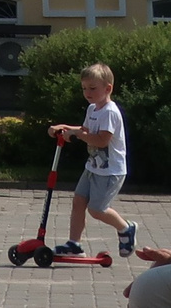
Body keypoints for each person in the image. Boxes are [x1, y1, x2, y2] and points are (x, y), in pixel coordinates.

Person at [52, 62, 136, 258]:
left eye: (92, 88)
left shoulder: (109, 112)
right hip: (93, 167)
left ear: (108, 88)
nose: (87, 92)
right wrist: (64, 128)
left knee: (97, 209)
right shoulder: (93, 109)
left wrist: (77, 134)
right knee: (79, 201)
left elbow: (101, 140)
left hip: (110, 171)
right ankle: (74, 244)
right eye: (84, 88)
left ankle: (126, 228)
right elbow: (86, 131)